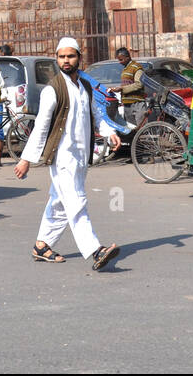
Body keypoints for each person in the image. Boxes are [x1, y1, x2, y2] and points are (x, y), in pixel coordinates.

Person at [14, 37, 121, 270]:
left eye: (70, 56)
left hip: (81, 156)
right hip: (62, 157)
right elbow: (41, 126)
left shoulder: (84, 86)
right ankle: (95, 250)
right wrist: (26, 160)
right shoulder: (53, 90)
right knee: (76, 201)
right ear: (56, 59)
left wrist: (109, 132)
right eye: (61, 57)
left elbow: (96, 115)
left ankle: (42, 245)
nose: (66, 60)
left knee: (60, 202)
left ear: (79, 58)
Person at [115, 47, 146, 125]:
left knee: (140, 128)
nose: (119, 62)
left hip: (137, 103)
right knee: (131, 129)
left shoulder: (136, 67)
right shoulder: (125, 69)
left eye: (121, 60)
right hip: (127, 104)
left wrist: (122, 89)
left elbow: (139, 84)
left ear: (127, 57)